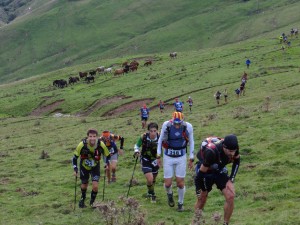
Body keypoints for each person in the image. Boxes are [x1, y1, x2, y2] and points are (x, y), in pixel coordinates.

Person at [194, 135, 240, 225]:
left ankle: (226, 223)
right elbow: (200, 175)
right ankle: (195, 222)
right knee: (202, 198)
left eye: (234, 151)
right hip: (206, 171)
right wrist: (200, 189)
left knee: (230, 196)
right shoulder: (212, 152)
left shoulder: (234, 148)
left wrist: (231, 179)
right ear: (224, 147)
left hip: (219, 169)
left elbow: (237, 161)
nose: (232, 154)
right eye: (230, 151)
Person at [157, 112, 194, 212]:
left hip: (181, 157)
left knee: (180, 183)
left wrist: (191, 157)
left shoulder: (188, 127)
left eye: (179, 123)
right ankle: (169, 194)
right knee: (168, 183)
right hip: (168, 156)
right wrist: (158, 155)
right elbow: (160, 140)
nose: (177, 125)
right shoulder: (166, 125)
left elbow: (191, 141)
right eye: (175, 123)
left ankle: (180, 203)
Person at [72, 128, 110, 208]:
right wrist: (75, 169)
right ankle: (82, 198)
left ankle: (92, 203)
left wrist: (107, 164)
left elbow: (108, 155)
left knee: (95, 186)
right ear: (87, 137)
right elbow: (75, 158)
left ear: (96, 137)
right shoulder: (81, 145)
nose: (92, 138)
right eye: (90, 136)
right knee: (84, 184)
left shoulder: (101, 144)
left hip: (95, 167)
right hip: (84, 166)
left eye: (94, 136)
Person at [134, 122, 160, 203]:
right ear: (148, 131)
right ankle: (152, 194)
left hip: (155, 159)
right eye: (151, 131)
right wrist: (136, 151)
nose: (153, 133)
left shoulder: (160, 136)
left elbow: (166, 145)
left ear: (157, 131)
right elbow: (137, 145)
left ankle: (149, 191)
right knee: (150, 179)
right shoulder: (143, 137)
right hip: (145, 158)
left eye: (154, 131)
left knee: (154, 178)